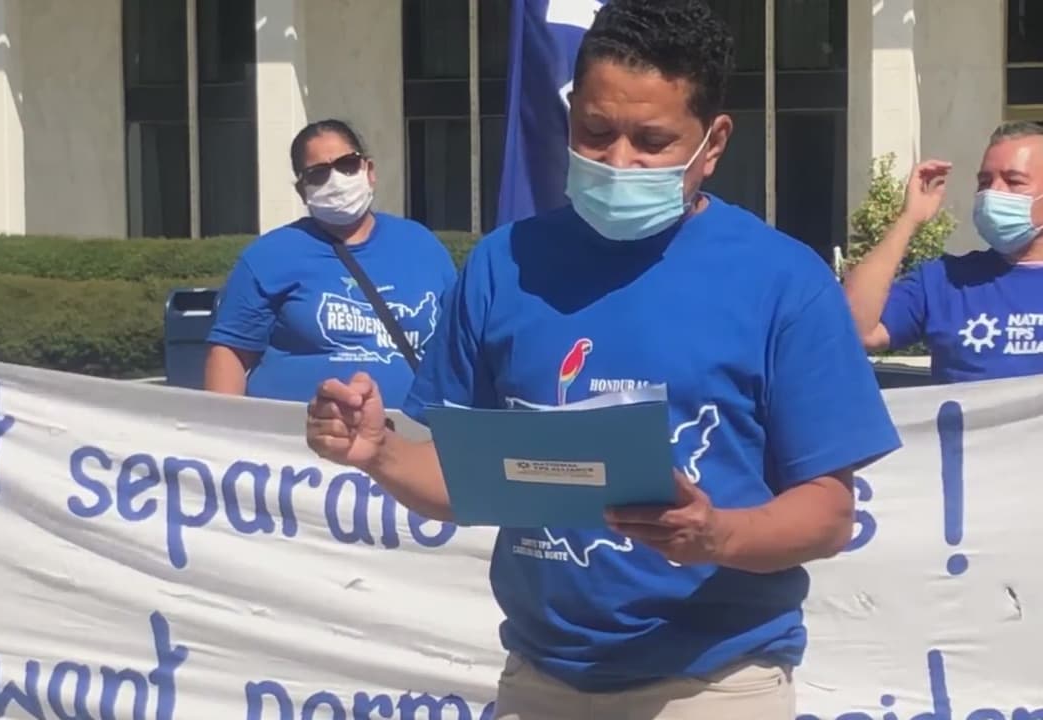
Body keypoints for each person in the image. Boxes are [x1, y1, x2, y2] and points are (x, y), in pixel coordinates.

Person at [305, 1, 899, 717]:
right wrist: (380, 453)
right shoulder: (504, 264)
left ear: (713, 143)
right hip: (540, 680)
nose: (619, 162)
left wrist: (717, 534)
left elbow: (829, 514)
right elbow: (471, 479)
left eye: (652, 141)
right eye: (595, 131)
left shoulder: (784, 280)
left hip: (714, 683)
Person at [205, 119, 456, 406]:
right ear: (302, 190)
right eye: (319, 173)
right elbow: (230, 353)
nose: (336, 181)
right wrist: (223, 427)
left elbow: (457, 341)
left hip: (408, 428)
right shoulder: (269, 256)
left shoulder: (421, 245)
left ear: (369, 170)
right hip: (297, 431)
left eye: (347, 164)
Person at [844, 121, 1043, 383]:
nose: (993, 192)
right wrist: (908, 220)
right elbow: (854, 331)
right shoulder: (944, 280)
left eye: (1013, 181)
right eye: (984, 182)